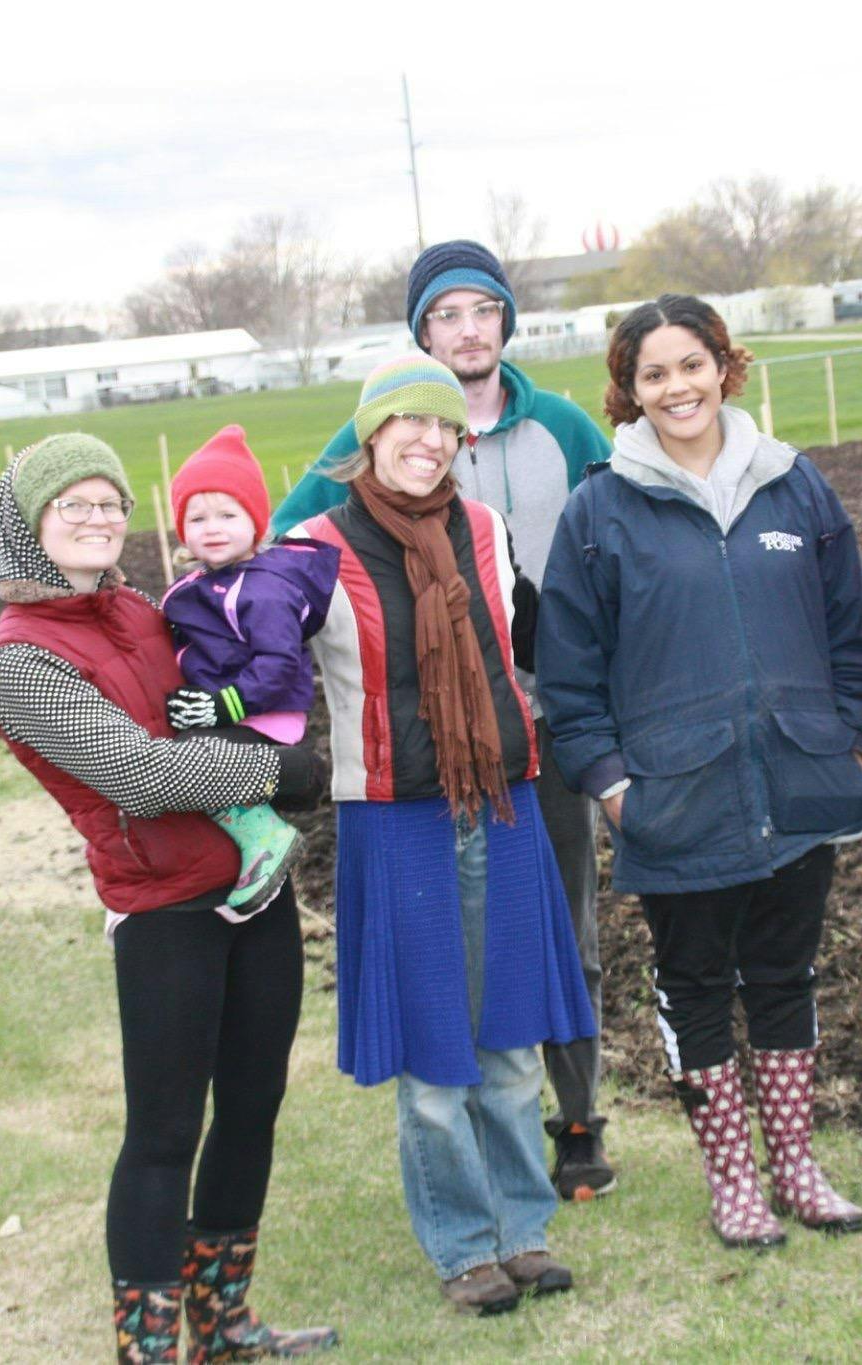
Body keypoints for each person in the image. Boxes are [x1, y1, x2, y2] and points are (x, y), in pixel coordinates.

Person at [0, 434, 336, 1363]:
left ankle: (223, 1324)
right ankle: (149, 1347)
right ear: (31, 520)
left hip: (253, 891)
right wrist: (280, 765)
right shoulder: (19, 657)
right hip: (163, 907)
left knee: (252, 1106)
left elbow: (224, 688)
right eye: (75, 505)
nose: (99, 519)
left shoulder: (138, 609)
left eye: (110, 502)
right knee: (166, 1130)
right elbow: (132, 771)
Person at [537, 294, 862, 1250]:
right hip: (675, 798)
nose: (676, 386)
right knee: (694, 982)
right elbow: (570, 676)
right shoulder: (600, 512)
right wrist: (613, 784)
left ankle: (800, 1169)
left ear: (724, 366)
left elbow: (853, 627)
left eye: (691, 364)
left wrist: (851, 739)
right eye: (654, 373)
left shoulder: (794, 486)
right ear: (630, 391)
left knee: (785, 973)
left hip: (801, 780)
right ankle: (735, 1181)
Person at [274, 239, 618, 1202]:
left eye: (483, 311)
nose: (468, 329)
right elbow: (279, 571)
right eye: (446, 316)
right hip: (411, 771)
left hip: (538, 736)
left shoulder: (558, 433)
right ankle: (466, 1182)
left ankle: (577, 1124)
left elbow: (610, 553)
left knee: (557, 937)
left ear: (506, 322)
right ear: (421, 336)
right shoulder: (343, 493)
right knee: (447, 972)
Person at [161, 424, 341, 910]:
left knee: (192, 760)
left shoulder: (265, 588)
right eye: (197, 518)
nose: (212, 527)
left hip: (265, 715)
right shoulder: (198, 585)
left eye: (227, 513)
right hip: (234, 710)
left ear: (256, 522)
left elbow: (279, 664)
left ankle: (265, 835)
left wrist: (223, 706)